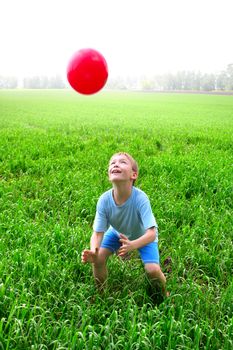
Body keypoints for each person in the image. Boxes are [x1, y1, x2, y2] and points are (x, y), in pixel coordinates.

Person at [81, 152, 167, 297]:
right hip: (116, 232)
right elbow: (97, 233)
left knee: (152, 270)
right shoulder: (104, 200)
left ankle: (165, 294)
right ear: (109, 175)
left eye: (122, 162)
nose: (115, 164)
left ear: (134, 175)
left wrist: (133, 245)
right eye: (112, 162)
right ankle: (102, 295)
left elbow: (152, 234)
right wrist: (94, 252)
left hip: (143, 237)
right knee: (99, 259)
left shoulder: (141, 198)